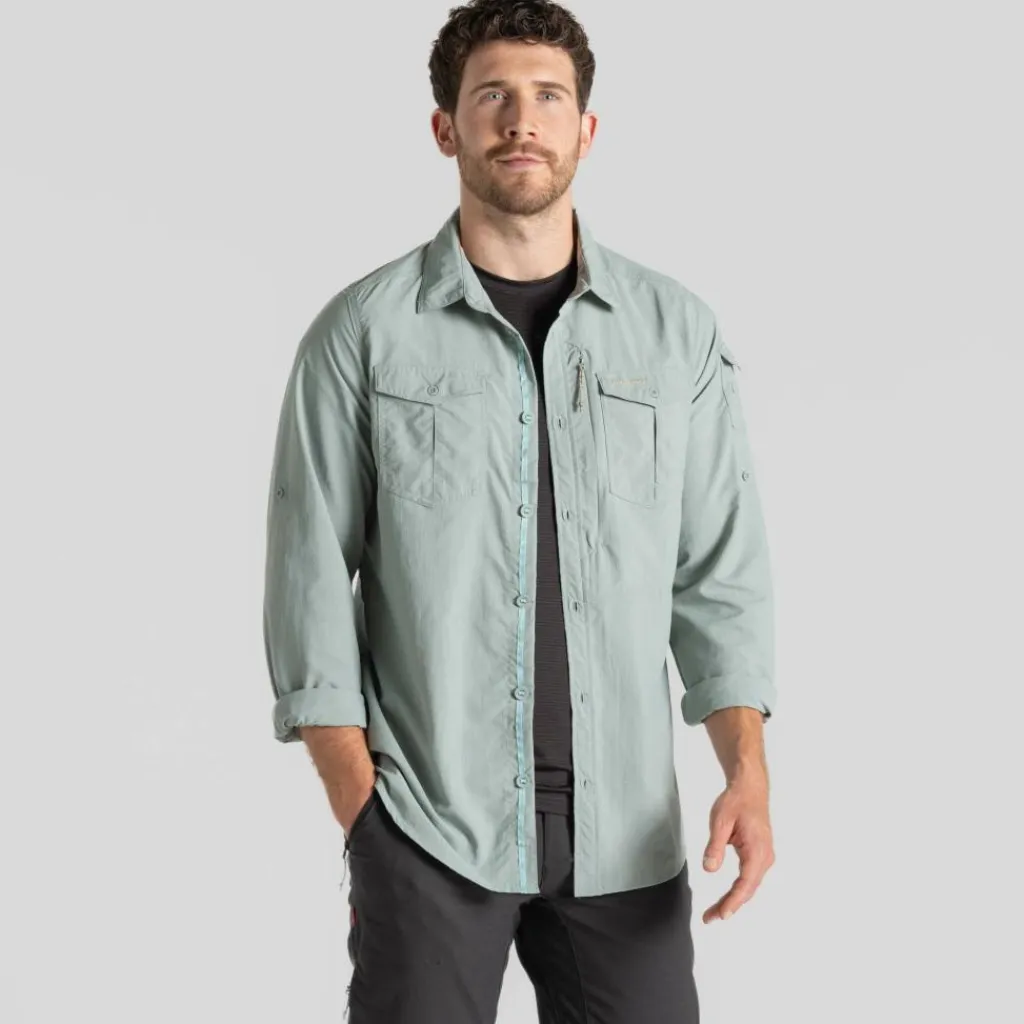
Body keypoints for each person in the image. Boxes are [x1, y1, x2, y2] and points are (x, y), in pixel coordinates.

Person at [261, 1, 777, 1020]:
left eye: (548, 96)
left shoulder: (674, 333)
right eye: (491, 95)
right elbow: (308, 582)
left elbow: (720, 574)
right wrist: (365, 816)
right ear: (445, 128)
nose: (521, 120)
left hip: (626, 836)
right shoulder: (362, 334)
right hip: (429, 828)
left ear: (587, 128)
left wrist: (746, 773)